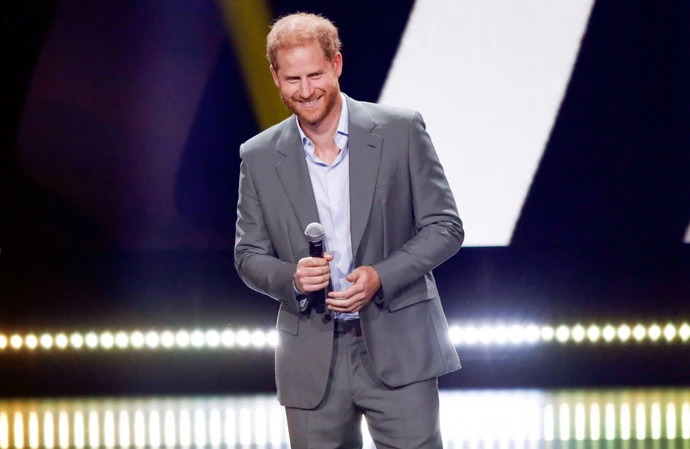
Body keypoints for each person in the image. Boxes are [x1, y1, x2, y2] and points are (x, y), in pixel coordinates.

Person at [234, 12, 464, 448]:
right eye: (292, 79)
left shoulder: (400, 131)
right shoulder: (259, 156)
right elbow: (248, 256)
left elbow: (445, 226)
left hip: (399, 343)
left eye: (316, 74)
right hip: (312, 354)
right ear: (275, 77)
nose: (305, 91)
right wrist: (293, 279)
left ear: (336, 64)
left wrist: (382, 275)